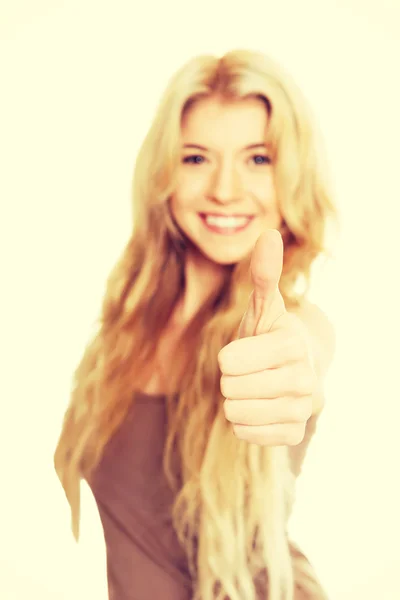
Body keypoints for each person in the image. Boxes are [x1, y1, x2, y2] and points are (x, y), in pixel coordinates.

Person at [54, 48, 337, 600]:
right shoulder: (123, 331)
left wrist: (295, 363)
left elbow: (305, 349)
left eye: (258, 159)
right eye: (196, 158)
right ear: (164, 174)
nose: (225, 190)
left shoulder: (282, 324)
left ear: (290, 177)